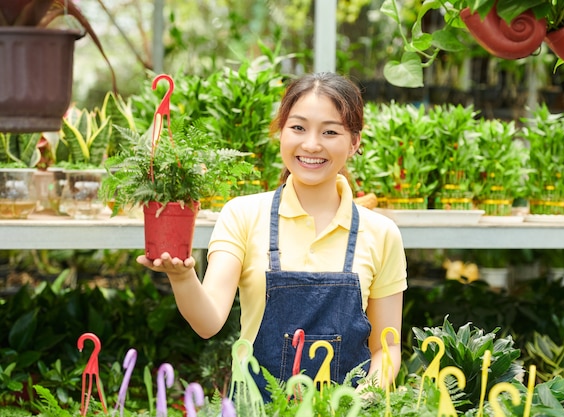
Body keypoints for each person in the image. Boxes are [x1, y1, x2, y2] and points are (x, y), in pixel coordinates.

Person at [137, 72, 408, 399]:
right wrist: (182, 278)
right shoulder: (243, 215)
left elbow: (387, 346)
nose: (311, 144)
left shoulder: (380, 233)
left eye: (330, 131)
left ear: (354, 142)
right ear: (280, 131)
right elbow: (208, 322)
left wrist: (361, 400)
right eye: (298, 127)